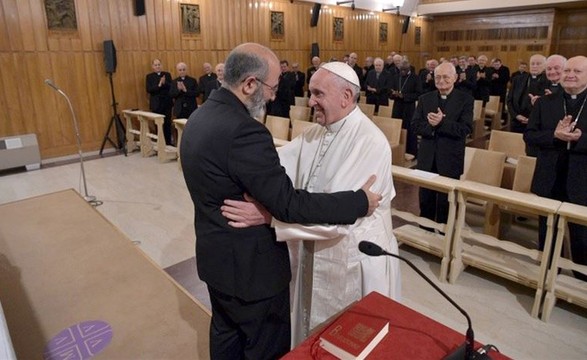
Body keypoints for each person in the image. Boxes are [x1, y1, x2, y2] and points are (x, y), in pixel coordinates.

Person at [180, 42, 382, 360]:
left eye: (318, 94)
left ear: (346, 97)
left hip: (216, 261)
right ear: (249, 84)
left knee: (226, 338)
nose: (275, 95)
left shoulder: (199, 117)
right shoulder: (245, 132)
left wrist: (268, 208)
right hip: (251, 275)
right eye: (273, 87)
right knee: (264, 349)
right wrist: (359, 201)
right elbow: (288, 204)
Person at [221, 61, 400, 346]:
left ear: (346, 97)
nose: (311, 101)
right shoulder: (316, 132)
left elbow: (341, 215)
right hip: (313, 249)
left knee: (348, 342)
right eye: (311, 93)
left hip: (351, 259)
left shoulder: (369, 142)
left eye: (318, 94)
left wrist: (270, 218)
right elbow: (276, 165)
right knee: (311, 333)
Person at [523, 55, 587, 281]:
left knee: (582, 236)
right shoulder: (545, 103)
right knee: (548, 230)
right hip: (548, 177)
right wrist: (554, 136)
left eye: (577, 72)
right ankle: (549, 275)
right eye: (568, 70)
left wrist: (579, 139)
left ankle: (581, 282)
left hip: (582, 180)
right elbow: (529, 136)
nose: (570, 75)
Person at [412, 62, 473, 225]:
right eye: (437, 77)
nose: (441, 80)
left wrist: (441, 123)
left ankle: (444, 239)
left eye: (445, 76)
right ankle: (425, 232)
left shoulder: (465, 99)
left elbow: (465, 129)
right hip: (427, 158)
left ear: (454, 78)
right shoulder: (425, 99)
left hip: (450, 158)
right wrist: (431, 126)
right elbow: (415, 125)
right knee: (425, 200)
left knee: (446, 203)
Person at [507, 54, 547, 135]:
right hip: (517, 122)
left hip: (537, 125)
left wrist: (532, 119)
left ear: (545, 66)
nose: (534, 66)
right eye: (532, 64)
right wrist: (516, 116)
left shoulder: (548, 81)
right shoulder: (517, 79)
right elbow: (509, 100)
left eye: (538, 64)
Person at [391, 59, 422, 159]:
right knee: (397, 129)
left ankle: (410, 152)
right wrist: (393, 94)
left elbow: (418, 94)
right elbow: (390, 90)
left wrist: (404, 96)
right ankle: (397, 152)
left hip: (409, 108)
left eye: (404, 70)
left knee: (409, 130)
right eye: (401, 70)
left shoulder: (415, 78)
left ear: (409, 68)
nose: (402, 72)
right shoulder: (396, 77)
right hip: (397, 107)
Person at [145, 58, 173, 145]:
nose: (157, 66)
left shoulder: (167, 74)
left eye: (159, 64)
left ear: (161, 65)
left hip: (167, 103)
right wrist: (159, 84)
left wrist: (165, 83)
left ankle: (168, 142)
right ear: (152, 67)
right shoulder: (149, 76)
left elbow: (171, 86)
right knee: (158, 124)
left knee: (167, 123)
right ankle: (160, 143)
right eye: (155, 65)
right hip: (156, 104)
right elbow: (149, 89)